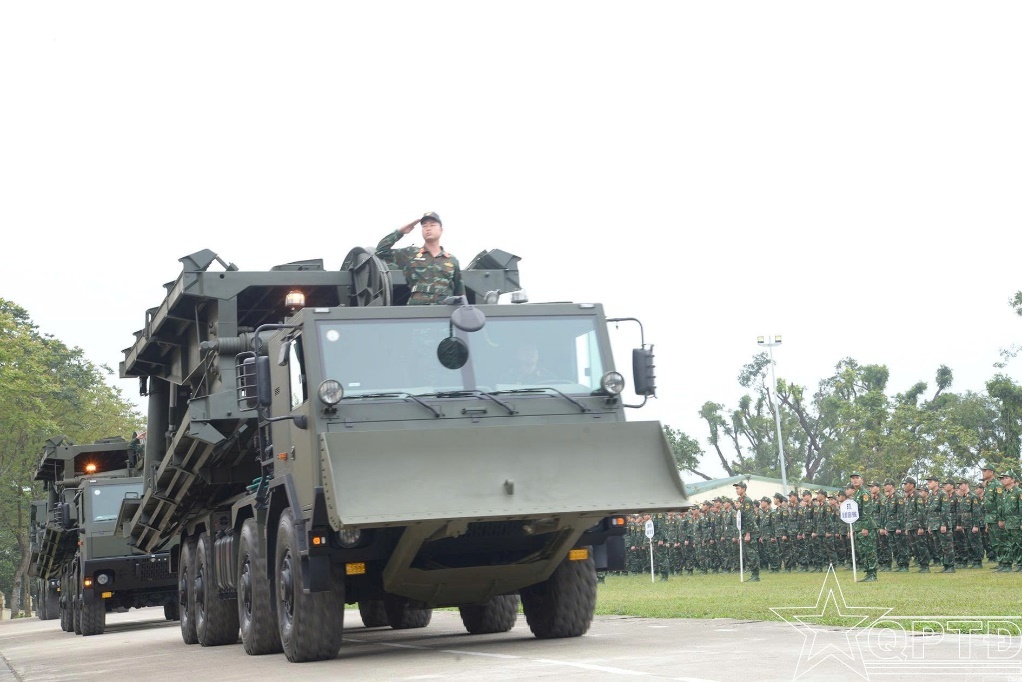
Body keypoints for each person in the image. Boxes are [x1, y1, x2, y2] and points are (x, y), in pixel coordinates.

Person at [375, 212, 464, 305]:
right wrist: (401, 232)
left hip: (444, 309)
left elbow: (460, 293)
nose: (428, 228)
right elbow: (381, 251)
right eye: (424, 226)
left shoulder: (451, 260)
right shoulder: (411, 254)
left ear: (441, 230)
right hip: (417, 309)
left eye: (432, 225)